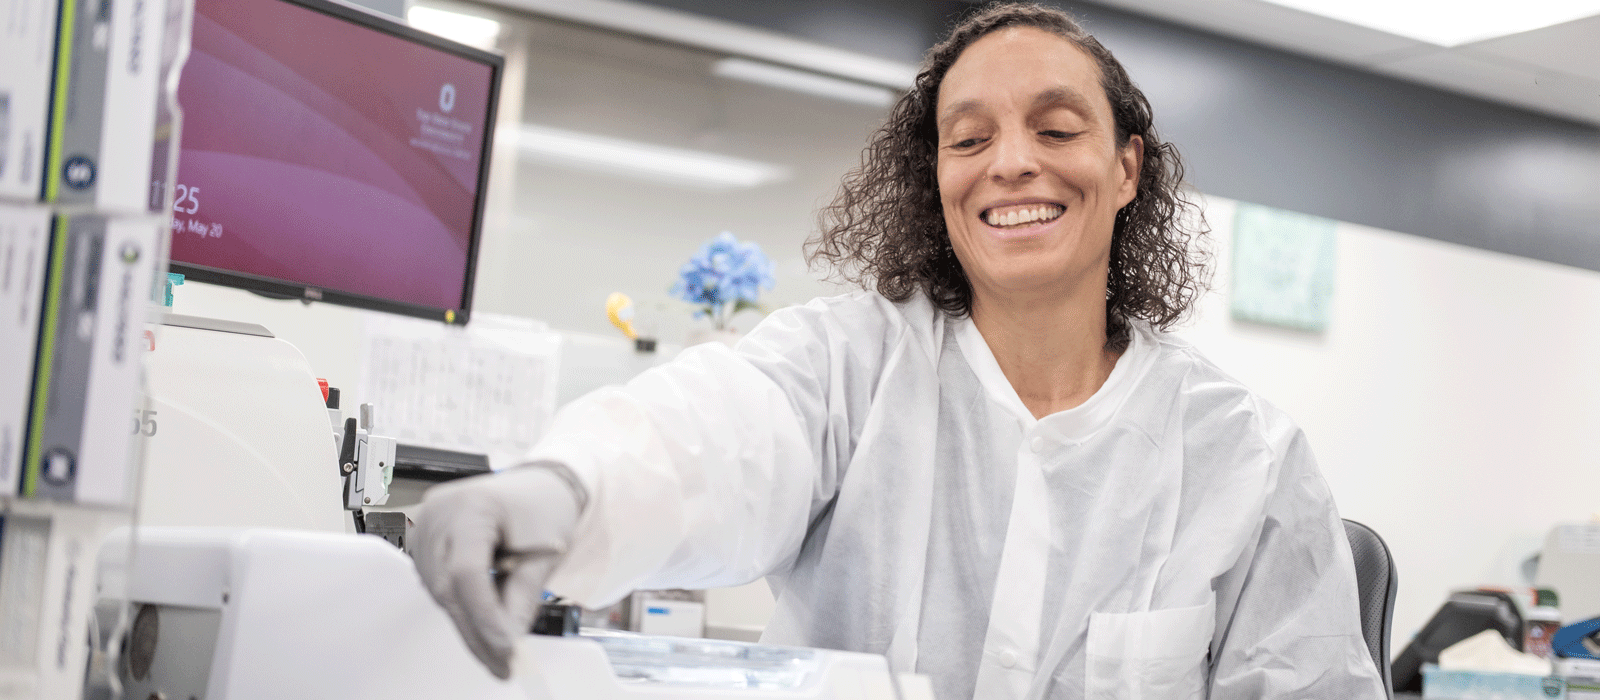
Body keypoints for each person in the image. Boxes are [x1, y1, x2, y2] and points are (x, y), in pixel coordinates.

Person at [411, 3, 1387, 699]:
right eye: (968, 140)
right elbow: (710, 437)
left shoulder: (1247, 460)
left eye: (1054, 127)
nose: (1010, 162)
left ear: (1126, 166)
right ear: (936, 178)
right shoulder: (849, 368)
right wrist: (563, 487)